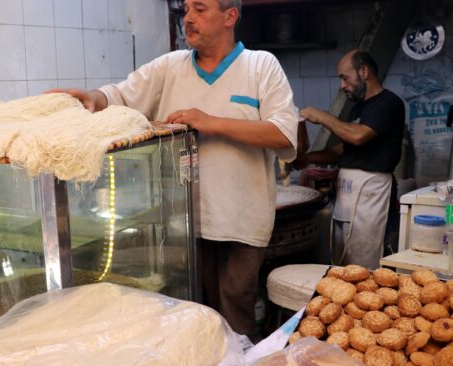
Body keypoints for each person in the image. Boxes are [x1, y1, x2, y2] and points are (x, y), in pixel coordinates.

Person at [48, 0, 299, 337]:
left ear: (230, 16)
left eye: (200, 9)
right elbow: (119, 95)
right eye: (186, 11)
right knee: (191, 314)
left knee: (235, 311)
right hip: (184, 224)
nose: (188, 19)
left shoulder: (259, 66)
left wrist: (209, 122)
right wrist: (94, 98)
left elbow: (284, 132)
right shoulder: (170, 67)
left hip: (241, 222)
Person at [294, 49, 405, 269]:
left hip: (372, 193)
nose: (342, 85)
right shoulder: (358, 108)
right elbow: (341, 150)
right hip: (347, 193)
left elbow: (358, 136)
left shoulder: (389, 103)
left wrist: (322, 116)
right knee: (343, 261)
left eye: (345, 78)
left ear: (364, 71)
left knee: (366, 266)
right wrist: (307, 159)